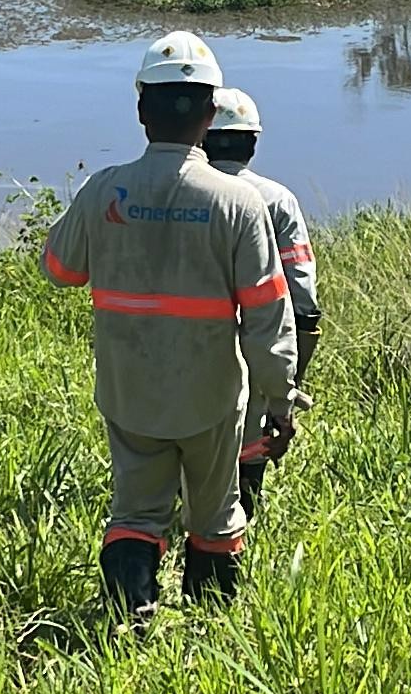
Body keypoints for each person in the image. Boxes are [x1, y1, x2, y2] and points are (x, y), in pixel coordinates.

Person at [42, 31, 296, 622]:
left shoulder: (106, 189)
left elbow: (59, 269)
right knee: (214, 513)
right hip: (211, 395)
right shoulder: (238, 202)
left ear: (140, 110)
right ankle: (209, 633)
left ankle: (132, 620)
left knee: (135, 512)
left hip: (129, 389)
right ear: (210, 115)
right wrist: (279, 400)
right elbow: (267, 317)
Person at [202, 86, 320, 515]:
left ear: (203, 137)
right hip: (261, 341)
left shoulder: (186, 190)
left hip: (189, 343)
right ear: (252, 143)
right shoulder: (277, 199)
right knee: (254, 441)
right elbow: (302, 289)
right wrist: (293, 370)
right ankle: (241, 526)